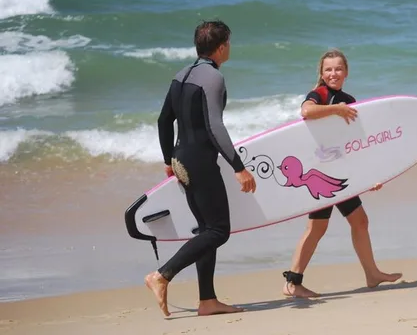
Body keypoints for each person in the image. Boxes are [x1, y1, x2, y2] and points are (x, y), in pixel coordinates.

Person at [145, 20, 257, 317]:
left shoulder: (181, 75)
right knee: (219, 231)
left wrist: (169, 160)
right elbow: (214, 126)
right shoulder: (212, 77)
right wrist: (238, 166)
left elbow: (163, 120)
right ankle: (162, 275)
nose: (229, 48)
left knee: (207, 229)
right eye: (229, 43)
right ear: (221, 47)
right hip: (199, 160)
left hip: (182, 158)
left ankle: (207, 301)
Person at [282, 48, 402, 298]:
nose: (333, 73)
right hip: (321, 176)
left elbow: (354, 142)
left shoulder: (349, 98)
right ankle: (292, 282)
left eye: (338, 69)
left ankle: (371, 274)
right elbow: (306, 111)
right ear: (322, 73)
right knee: (317, 228)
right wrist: (337, 109)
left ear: (346, 72)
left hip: (339, 173)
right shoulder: (320, 94)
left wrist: (368, 176)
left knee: (359, 221)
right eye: (328, 69)